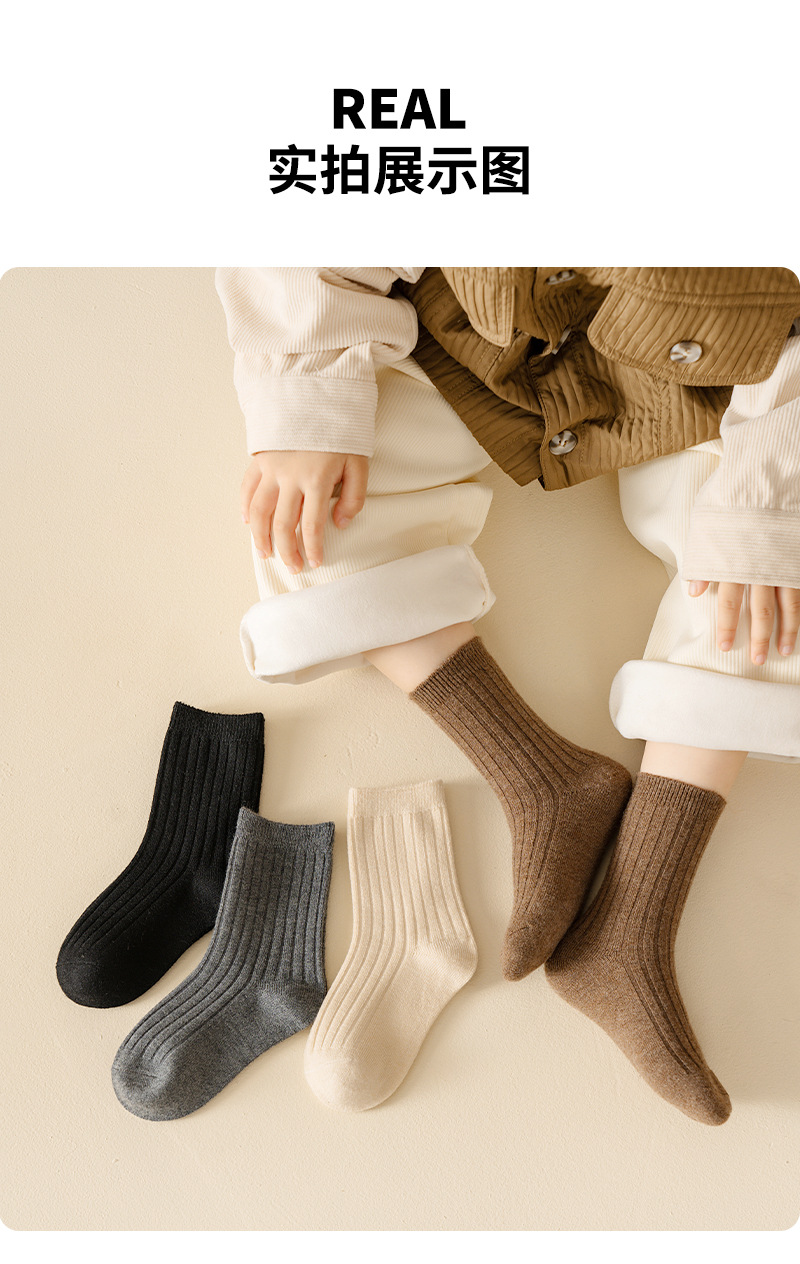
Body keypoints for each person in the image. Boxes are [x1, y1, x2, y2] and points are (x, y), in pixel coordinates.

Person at [216, 267, 800, 1125]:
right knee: (300, 518)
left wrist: (767, 499)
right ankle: (539, 778)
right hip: (479, 354)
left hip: (716, 389)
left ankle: (632, 921)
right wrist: (305, 410)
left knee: (778, 590)